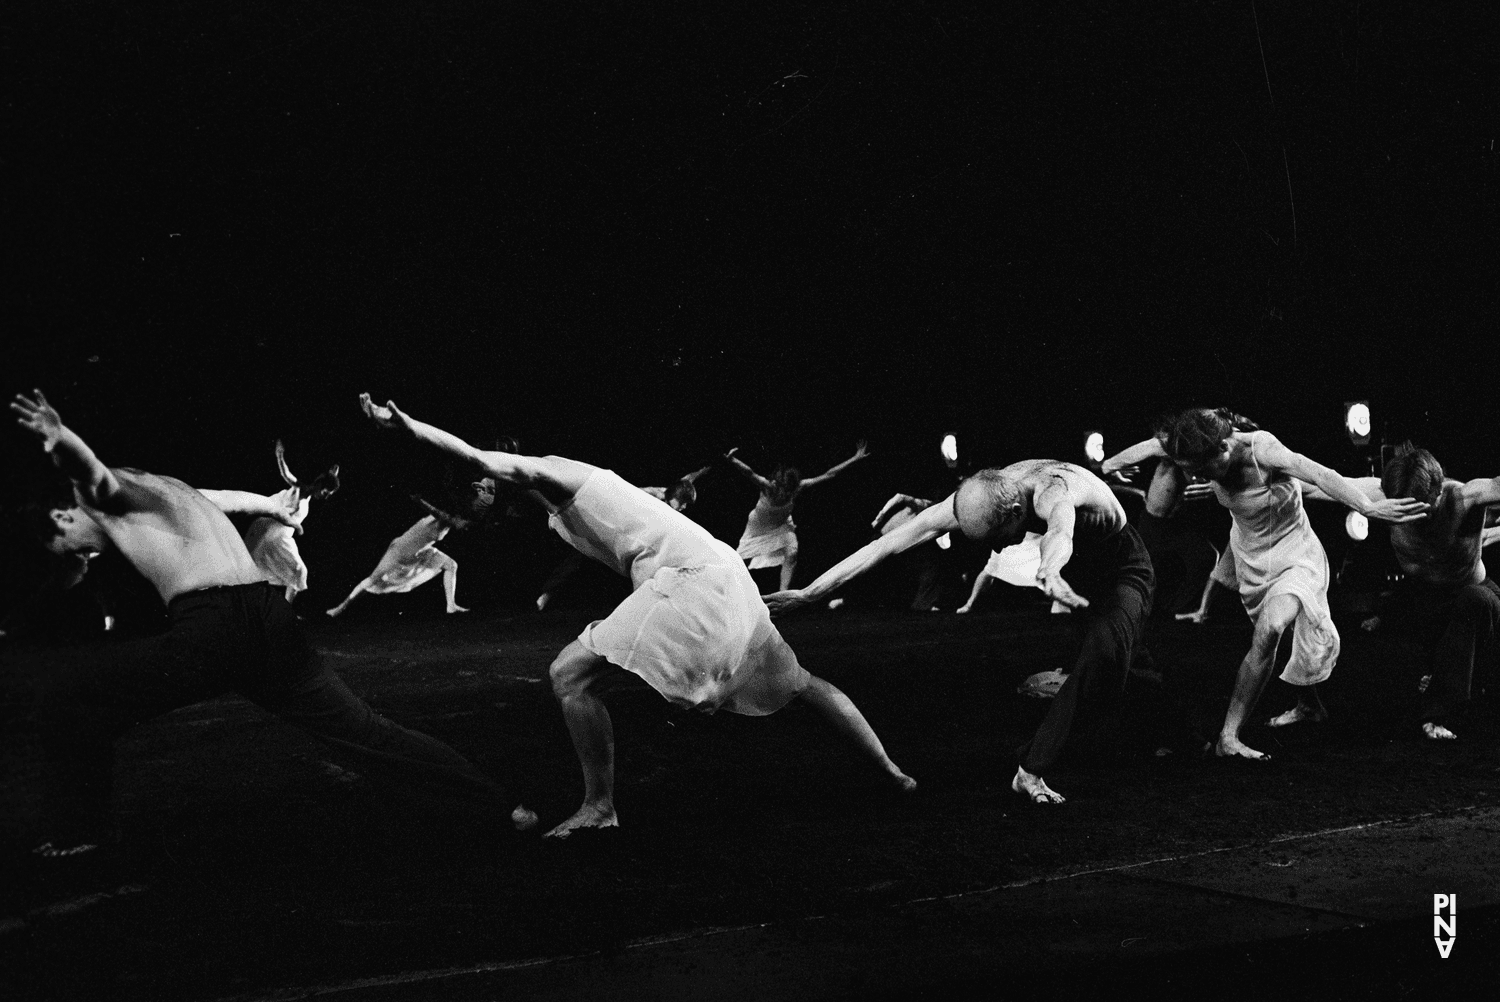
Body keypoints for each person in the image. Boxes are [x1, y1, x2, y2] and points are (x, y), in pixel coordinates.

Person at [358, 393, 914, 838]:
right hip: (721, 570)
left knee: (569, 676)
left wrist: (410, 430)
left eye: (477, 492)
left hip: (695, 577)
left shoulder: (554, 471)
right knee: (802, 683)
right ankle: (892, 773)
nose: (475, 501)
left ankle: (600, 807)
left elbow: (480, 460)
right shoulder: (557, 501)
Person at [8, 390, 534, 857]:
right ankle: (501, 807)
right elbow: (235, 500)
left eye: (71, 548)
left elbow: (89, 472)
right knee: (365, 731)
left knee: (67, 698)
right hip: (268, 618)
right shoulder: (169, 488)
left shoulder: (97, 496)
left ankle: (81, 833)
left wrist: (59, 438)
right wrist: (276, 510)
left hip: (211, 628)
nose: (86, 557)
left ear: (60, 516)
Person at [768, 459, 1158, 805]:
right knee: (1120, 664)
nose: (998, 551)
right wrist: (808, 593)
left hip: (1120, 567)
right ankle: (1170, 725)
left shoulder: (1053, 490)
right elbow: (884, 546)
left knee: (1106, 655)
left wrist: (1050, 569)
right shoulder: (980, 497)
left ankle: (1031, 769)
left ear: (1016, 512)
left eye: (997, 540)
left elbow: (1060, 532)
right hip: (1076, 574)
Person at [1112, 408, 1428, 760]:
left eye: (1202, 470)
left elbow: (1320, 474)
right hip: (1252, 561)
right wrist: (1112, 464)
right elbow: (1151, 446)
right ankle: (1309, 705)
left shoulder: (1262, 450)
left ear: (1223, 449)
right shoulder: (1191, 445)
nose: (1196, 478)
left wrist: (1367, 508)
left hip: (1295, 555)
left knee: (1271, 628)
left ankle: (1228, 736)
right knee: (1288, 635)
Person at [1302, 444, 1498, 740]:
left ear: (1438, 492)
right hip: (1423, 603)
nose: (1410, 517)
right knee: (1385, 621)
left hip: (1476, 605)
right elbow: (1313, 484)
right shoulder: (1380, 495)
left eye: (1419, 508)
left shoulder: (1465, 497)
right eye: (1403, 509)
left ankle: (1438, 713)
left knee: (1473, 600)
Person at [535, 465, 712, 611]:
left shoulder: (678, 491)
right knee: (579, 557)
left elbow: (689, 478)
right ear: (674, 495)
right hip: (612, 526)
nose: (683, 508)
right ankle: (548, 592)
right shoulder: (649, 495)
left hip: (634, 539)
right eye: (682, 503)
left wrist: (704, 470)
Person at [726, 442, 870, 591]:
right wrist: (733, 460)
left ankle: (783, 592)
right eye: (785, 491)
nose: (787, 495)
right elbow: (749, 473)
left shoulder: (797, 488)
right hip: (758, 526)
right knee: (741, 559)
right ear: (779, 485)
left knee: (792, 551)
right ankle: (730, 587)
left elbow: (829, 474)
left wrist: (855, 458)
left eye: (790, 491)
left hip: (781, 525)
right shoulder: (768, 486)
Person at [325, 501, 469, 617]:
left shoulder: (447, 525)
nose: (464, 526)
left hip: (420, 553)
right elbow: (436, 512)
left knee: (451, 565)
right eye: (463, 521)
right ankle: (341, 607)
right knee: (373, 579)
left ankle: (451, 605)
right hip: (400, 551)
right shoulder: (441, 519)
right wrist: (419, 500)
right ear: (455, 516)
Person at [244, 439, 340, 606]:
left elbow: (326, 480)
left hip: (277, 537)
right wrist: (280, 455)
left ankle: (283, 609)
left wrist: (333, 474)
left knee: (296, 573)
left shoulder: (308, 496)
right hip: (275, 537)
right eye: (325, 493)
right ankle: (283, 610)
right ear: (319, 485)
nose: (325, 497)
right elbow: (286, 475)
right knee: (298, 572)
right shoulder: (300, 490)